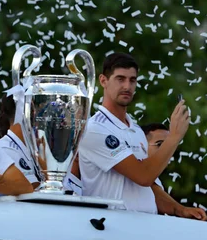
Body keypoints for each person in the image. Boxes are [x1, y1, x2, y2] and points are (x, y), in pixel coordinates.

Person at [78, 53, 190, 213]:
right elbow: (144, 176)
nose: (127, 86)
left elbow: (149, 187)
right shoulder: (95, 129)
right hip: (110, 228)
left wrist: (181, 210)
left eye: (132, 80)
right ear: (103, 80)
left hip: (143, 228)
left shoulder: (136, 130)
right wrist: (174, 137)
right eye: (120, 79)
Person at [0, 93, 83, 195]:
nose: (44, 116)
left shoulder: (36, 147)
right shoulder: (5, 149)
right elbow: (33, 192)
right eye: (40, 110)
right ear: (25, 113)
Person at [141, 123, 206, 220]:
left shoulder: (152, 179)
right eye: (160, 144)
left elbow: (154, 193)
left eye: (170, 146)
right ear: (140, 146)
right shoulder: (126, 169)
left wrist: (182, 210)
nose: (167, 151)